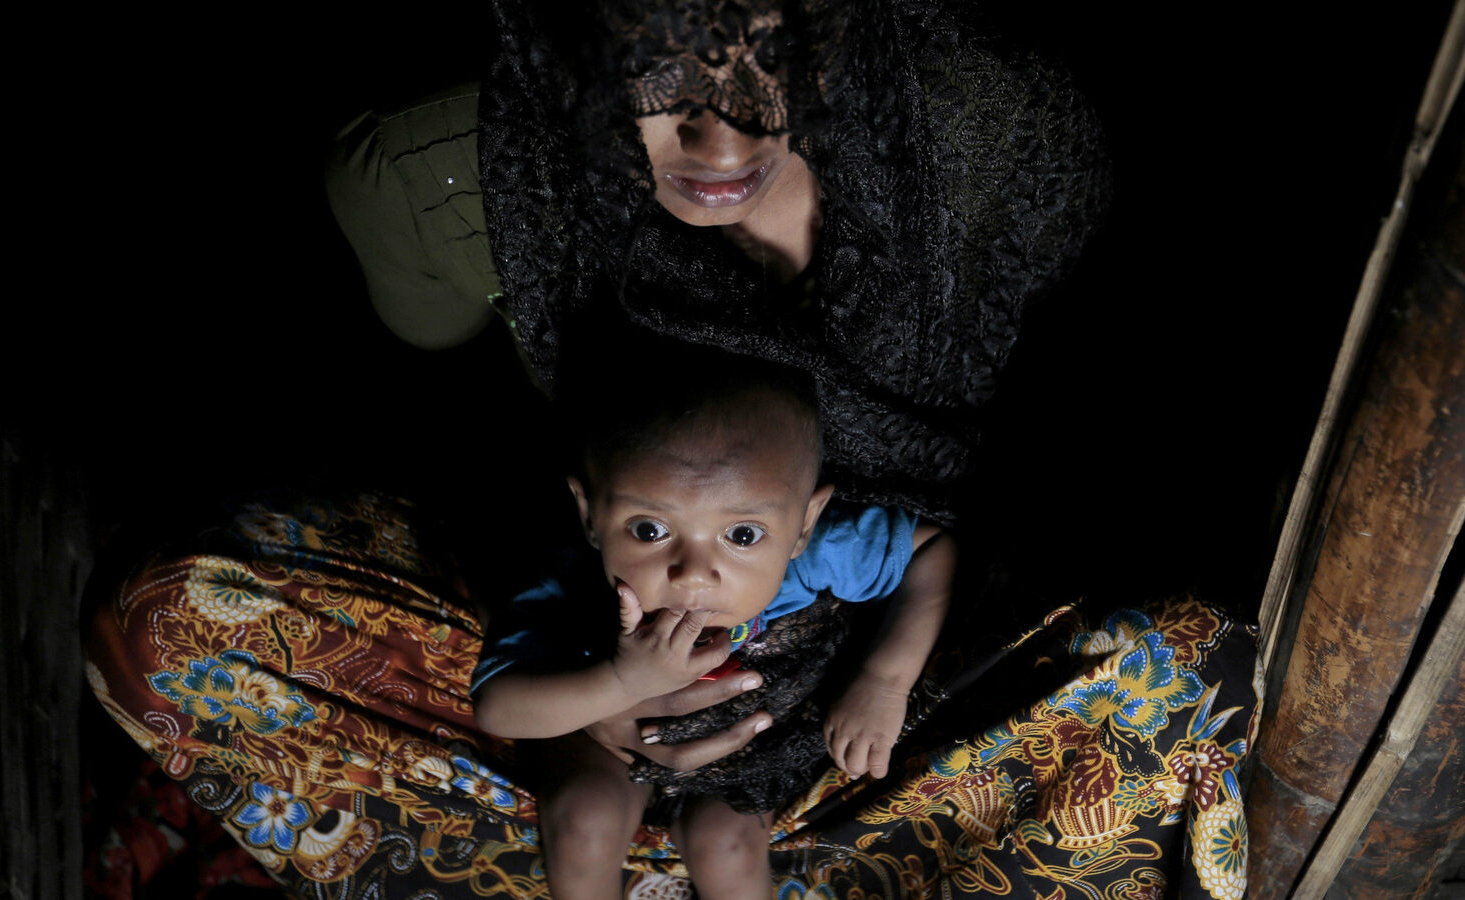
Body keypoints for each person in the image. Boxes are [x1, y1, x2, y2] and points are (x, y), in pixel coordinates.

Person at [85, 0, 1260, 896]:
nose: (716, 134)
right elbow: (457, 449)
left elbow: (1079, 458)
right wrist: (599, 684)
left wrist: (877, 678)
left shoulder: (995, 144)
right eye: (658, 69)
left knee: (1185, 656)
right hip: (582, 658)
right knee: (172, 615)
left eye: (762, 49)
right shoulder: (485, 175)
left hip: (890, 695)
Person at [471, 344, 954, 900]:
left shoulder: (819, 553)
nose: (694, 575)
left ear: (803, 525)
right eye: (649, 530)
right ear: (590, 515)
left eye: (742, 535)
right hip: (607, 744)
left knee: (726, 846)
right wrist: (622, 682)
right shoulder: (569, 585)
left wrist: (885, 680)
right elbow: (498, 707)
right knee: (586, 822)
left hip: (747, 756)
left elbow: (931, 549)